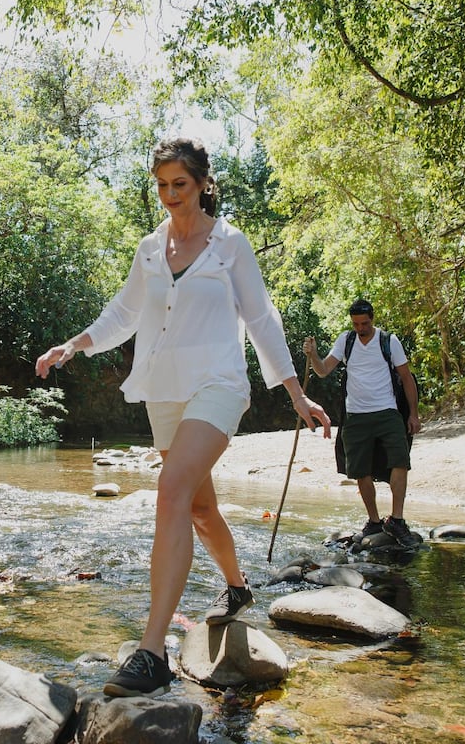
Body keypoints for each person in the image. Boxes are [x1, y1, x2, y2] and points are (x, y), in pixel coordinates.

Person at [35, 137, 331, 698]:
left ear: (202, 184)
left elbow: (262, 320)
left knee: (170, 494)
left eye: (181, 184)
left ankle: (151, 655)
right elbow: (122, 313)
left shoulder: (229, 245)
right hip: (164, 391)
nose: (170, 196)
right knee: (197, 506)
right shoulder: (150, 249)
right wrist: (70, 346)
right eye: (163, 185)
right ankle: (237, 587)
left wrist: (294, 392)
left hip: (218, 384)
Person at [302, 299, 422, 548]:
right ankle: (374, 521)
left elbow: (407, 379)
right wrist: (313, 355)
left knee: (400, 461)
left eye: (364, 323)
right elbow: (323, 370)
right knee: (359, 470)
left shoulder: (389, 341)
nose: (360, 328)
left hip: (388, 412)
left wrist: (413, 413)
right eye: (356, 324)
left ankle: (397, 520)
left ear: (372, 319)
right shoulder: (346, 340)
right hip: (356, 416)